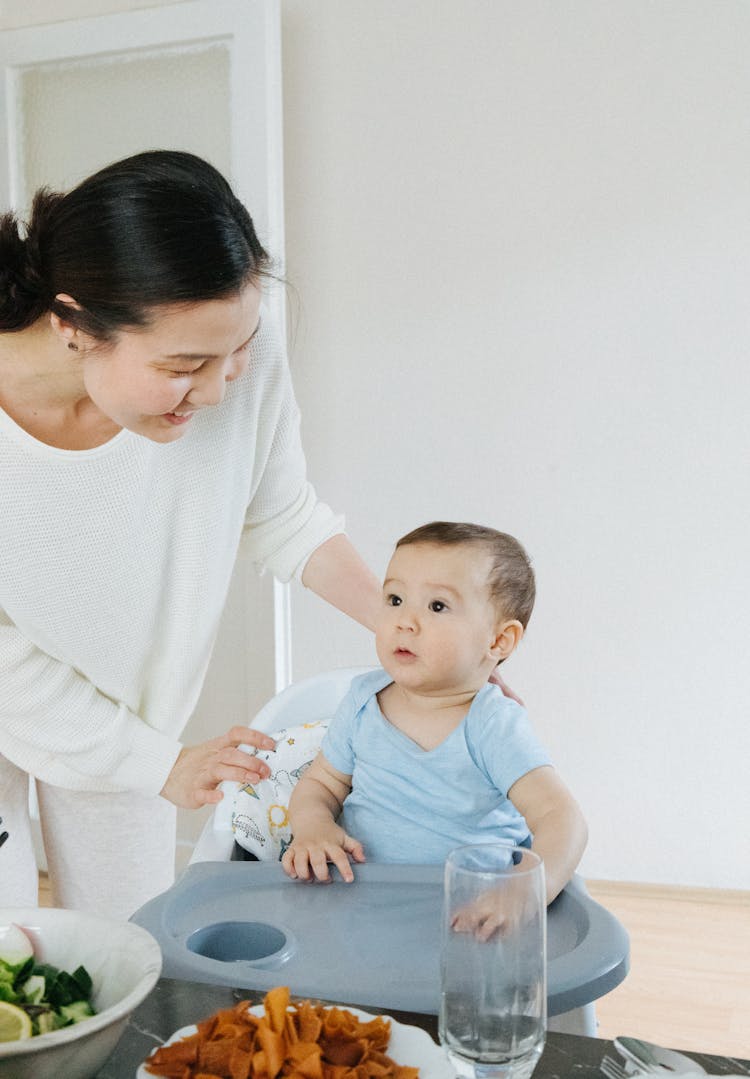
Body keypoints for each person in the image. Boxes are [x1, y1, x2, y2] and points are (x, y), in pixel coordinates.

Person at [0, 150, 382, 918]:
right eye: (184, 366)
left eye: (235, 354)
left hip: (135, 710)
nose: (215, 389)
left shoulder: (236, 347)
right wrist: (159, 762)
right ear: (75, 324)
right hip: (38, 694)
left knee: (134, 945)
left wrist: (409, 629)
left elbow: (282, 515)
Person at [282, 521, 588, 915]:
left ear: (498, 641)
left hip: (467, 913)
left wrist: (522, 895)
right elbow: (321, 784)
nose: (404, 621)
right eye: (394, 599)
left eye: (437, 606)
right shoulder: (362, 701)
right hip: (360, 902)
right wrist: (313, 826)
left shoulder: (492, 724)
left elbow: (561, 819)